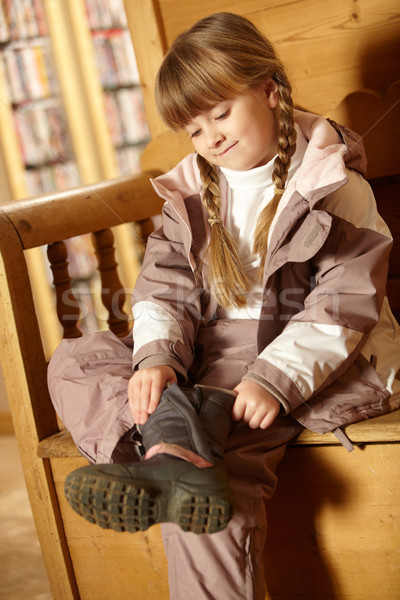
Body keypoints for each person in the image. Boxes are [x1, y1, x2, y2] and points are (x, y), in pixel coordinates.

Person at [48, 12, 400, 600]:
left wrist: (274, 378)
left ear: (270, 90)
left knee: (212, 486)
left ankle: (177, 456)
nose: (211, 137)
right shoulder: (189, 193)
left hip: (299, 359)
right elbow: (164, 289)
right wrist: (156, 359)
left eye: (221, 113)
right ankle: (170, 444)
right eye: (194, 129)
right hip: (205, 357)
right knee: (76, 360)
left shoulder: (332, 183)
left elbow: (346, 302)